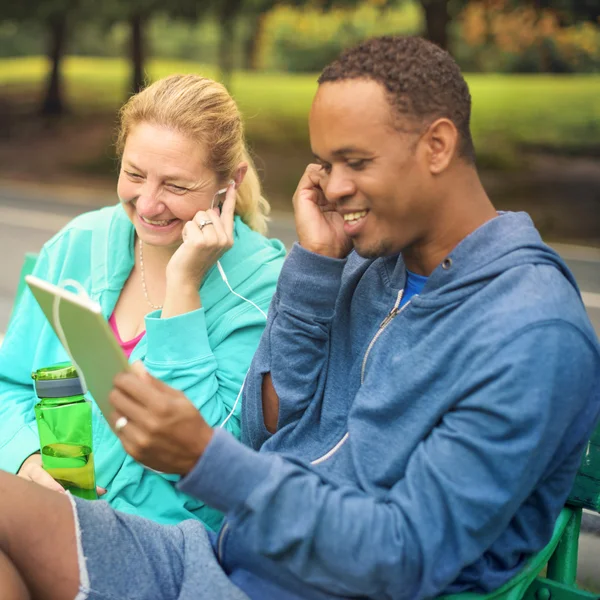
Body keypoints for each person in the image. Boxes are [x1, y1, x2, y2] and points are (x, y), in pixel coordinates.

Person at [1, 35, 599, 600]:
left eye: (354, 162)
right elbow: (269, 432)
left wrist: (206, 460)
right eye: (323, 164)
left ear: (437, 146)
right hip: (221, 561)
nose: (331, 188)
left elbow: (404, 554)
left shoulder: (531, 332)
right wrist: (313, 270)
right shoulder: (372, 268)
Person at [0, 73, 286, 530]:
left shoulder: (263, 290)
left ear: (229, 184)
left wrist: (183, 290)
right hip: (48, 516)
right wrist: (25, 457)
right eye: (134, 175)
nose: (148, 205)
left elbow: (202, 460)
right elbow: (9, 384)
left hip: (162, 544)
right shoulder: (78, 241)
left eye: (175, 186)